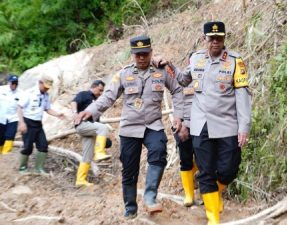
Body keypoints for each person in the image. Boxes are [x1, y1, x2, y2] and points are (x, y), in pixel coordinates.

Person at [74, 35, 184, 218]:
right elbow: (108, 96)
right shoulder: (124, 74)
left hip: (153, 125)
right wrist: (90, 111)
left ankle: (149, 197)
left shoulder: (161, 71)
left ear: (151, 52)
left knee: (158, 152)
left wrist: (178, 115)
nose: (141, 58)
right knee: (129, 169)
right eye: (137, 54)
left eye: (144, 54)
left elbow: (178, 90)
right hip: (129, 128)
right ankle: (130, 207)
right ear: (132, 55)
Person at [173, 21, 252, 224]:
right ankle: (213, 218)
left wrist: (244, 127)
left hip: (227, 124)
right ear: (204, 39)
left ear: (224, 38)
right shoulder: (196, 59)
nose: (215, 42)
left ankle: (214, 197)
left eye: (219, 38)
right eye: (211, 38)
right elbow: (182, 80)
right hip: (201, 125)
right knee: (206, 171)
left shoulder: (235, 61)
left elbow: (242, 97)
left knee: (229, 169)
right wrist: (168, 66)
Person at [17, 75, 65, 174]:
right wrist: (21, 123)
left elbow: (47, 108)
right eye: (45, 86)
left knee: (43, 145)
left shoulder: (46, 95)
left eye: (48, 87)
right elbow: (19, 107)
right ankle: (22, 168)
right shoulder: (29, 93)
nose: (47, 88)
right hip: (28, 122)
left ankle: (39, 168)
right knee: (27, 147)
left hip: (38, 123)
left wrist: (57, 114)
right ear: (40, 83)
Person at [71, 79, 112, 187]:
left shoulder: (96, 101)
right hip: (82, 124)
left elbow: (96, 121)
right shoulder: (84, 94)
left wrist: (104, 140)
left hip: (90, 128)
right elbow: (74, 102)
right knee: (103, 128)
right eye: (100, 90)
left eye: (102, 91)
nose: (101, 93)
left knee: (87, 155)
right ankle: (99, 153)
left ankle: (80, 180)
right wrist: (75, 113)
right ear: (93, 87)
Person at [173, 53, 199, 207]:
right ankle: (189, 195)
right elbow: (177, 103)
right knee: (186, 159)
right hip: (185, 125)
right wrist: (181, 124)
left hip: (204, 126)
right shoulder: (182, 81)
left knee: (206, 159)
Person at [0, 75, 24, 154]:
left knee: (10, 136)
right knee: (1, 138)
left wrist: (21, 122)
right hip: (1, 117)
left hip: (13, 118)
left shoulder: (21, 93)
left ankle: (6, 154)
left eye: (16, 83)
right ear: (9, 82)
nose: (14, 85)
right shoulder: (2, 90)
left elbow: (21, 107)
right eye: (12, 83)